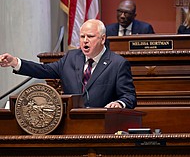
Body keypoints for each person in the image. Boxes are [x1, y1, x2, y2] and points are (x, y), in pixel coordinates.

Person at [0, 19, 137, 109]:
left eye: (90, 36)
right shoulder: (71, 58)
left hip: (102, 124)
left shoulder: (118, 64)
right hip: (71, 124)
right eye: (82, 36)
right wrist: (15, 62)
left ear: (102, 39)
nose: (85, 41)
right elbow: (43, 70)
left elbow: (130, 97)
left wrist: (119, 103)